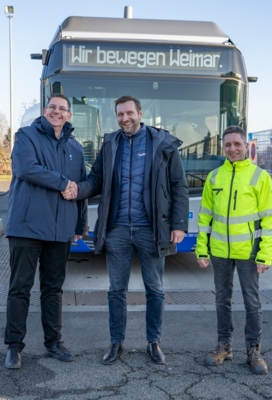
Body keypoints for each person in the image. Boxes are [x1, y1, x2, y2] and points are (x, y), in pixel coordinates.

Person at [62, 95, 189, 365]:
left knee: (155, 289)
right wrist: (76, 190)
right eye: (120, 114)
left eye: (129, 113)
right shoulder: (110, 144)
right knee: (116, 290)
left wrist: (179, 224)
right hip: (117, 230)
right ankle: (116, 343)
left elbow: (179, 185)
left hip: (151, 230)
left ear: (140, 114)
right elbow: (96, 179)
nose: (125, 118)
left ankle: (153, 342)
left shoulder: (162, 143)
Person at [4, 93, 87, 369]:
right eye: (52, 107)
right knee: (20, 288)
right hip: (26, 227)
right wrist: (63, 183)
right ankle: (14, 347)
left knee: (53, 290)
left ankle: (53, 342)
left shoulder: (75, 147)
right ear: (44, 110)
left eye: (62, 108)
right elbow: (26, 169)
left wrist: (80, 225)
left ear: (69, 115)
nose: (56, 111)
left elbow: (80, 188)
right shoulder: (26, 136)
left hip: (60, 230)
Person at [196, 126, 272, 375]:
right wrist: (202, 249)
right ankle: (224, 346)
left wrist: (266, 254)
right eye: (228, 145)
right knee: (222, 300)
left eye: (236, 144)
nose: (232, 149)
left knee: (252, 302)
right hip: (219, 250)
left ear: (246, 146)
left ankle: (253, 350)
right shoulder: (214, 177)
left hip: (249, 252)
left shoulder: (260, 177)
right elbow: (205, 217)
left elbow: (270, 219)